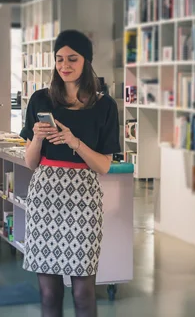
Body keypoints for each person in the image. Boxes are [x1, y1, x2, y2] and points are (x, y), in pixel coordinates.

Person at [19, 29, 121, 317]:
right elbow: (30, 162)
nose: (64, 66)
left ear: (86, 61)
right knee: (49, 292)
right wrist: (38, 137)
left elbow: (103, 165)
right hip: (45, 196)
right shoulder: (40, 100)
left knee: (83, 290)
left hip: (83, 200)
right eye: (59, 59)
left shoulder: (104, 106)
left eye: (72, 59)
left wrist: (75, 142)